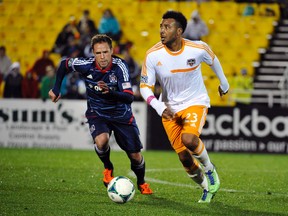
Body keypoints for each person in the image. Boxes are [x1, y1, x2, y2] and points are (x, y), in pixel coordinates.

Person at [140, 11, 229, 203]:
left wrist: (224, 83)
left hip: (195, 101)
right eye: (161, 27)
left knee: (189, 139)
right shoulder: (152, 55)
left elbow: (213, 60)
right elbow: (144, 87)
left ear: (179, 31)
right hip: (169, 109)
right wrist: (157, 106)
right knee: (185, 159)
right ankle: (206, 188)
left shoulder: (197, 48)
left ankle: (210, 169)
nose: (162, 31)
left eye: (167, 27)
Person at [48, 34, 153, 195]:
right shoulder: (86, 65)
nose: (102, 56)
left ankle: (142, 182)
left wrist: (110, 92)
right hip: (97, 113)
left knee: (135, 156)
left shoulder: (120, 66)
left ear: (112, 50)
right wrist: (56, 88)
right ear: (93, 53)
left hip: (121, 115)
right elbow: (64, 64)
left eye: (105, 52)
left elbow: (129, 97)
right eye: (98, 53)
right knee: (102, 141)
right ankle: (108, 167)